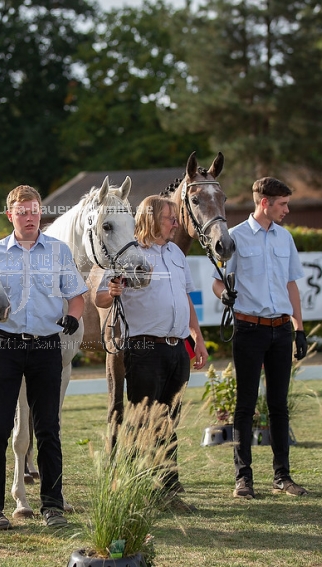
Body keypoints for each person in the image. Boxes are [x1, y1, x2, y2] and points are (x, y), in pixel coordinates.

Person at [0, 185, 87, 531]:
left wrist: (73, 315)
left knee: (48, 428)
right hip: (5, 345)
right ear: (9, 215)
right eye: (22, 212)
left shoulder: (58, 252)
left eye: (35, 210)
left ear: (41, 212)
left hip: (45, 347)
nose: (30, 217)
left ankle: (52, 506)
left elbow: (76, 296)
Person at [95, 195, 209, 506]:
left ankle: (168, 489)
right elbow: (100, 298)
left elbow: (186, 299)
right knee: (141, 422)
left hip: (177, 348)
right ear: (152, 218)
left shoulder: (175, 253)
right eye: (169, 218)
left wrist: (197, 337)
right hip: (144, 348)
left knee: (170, 422)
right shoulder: (128, 252)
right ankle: (136, 488)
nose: (175, 223)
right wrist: (113, 291)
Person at [211, 177, 309, 499]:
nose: (287, 209)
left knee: (279, 406)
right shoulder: (234, 238)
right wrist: (226, 295)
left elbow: (291, 285)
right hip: (249, 329)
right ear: (264, 202)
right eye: (282, 204)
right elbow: (217, 282)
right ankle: (244, 479)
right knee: (245, 405)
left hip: (281, 330)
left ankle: (283, 476)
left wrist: (300, 328)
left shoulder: (285, 238)